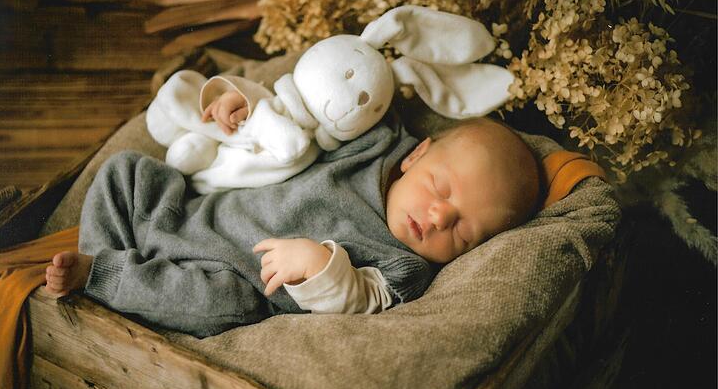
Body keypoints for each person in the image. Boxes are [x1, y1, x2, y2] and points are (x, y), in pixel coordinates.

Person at [43, 91, 540, 338]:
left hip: (228, 274)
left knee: (221, 308)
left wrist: (322, 266)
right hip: (189, 212)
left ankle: (102, 275)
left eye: (462, 232)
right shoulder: (377, 142)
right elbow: (305, 107)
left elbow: (360, 300)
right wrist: (247, 105)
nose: (435, 218)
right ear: (417, 155)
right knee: (125, 169)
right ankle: (106, 257)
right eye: (440, 189)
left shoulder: (405, 267)